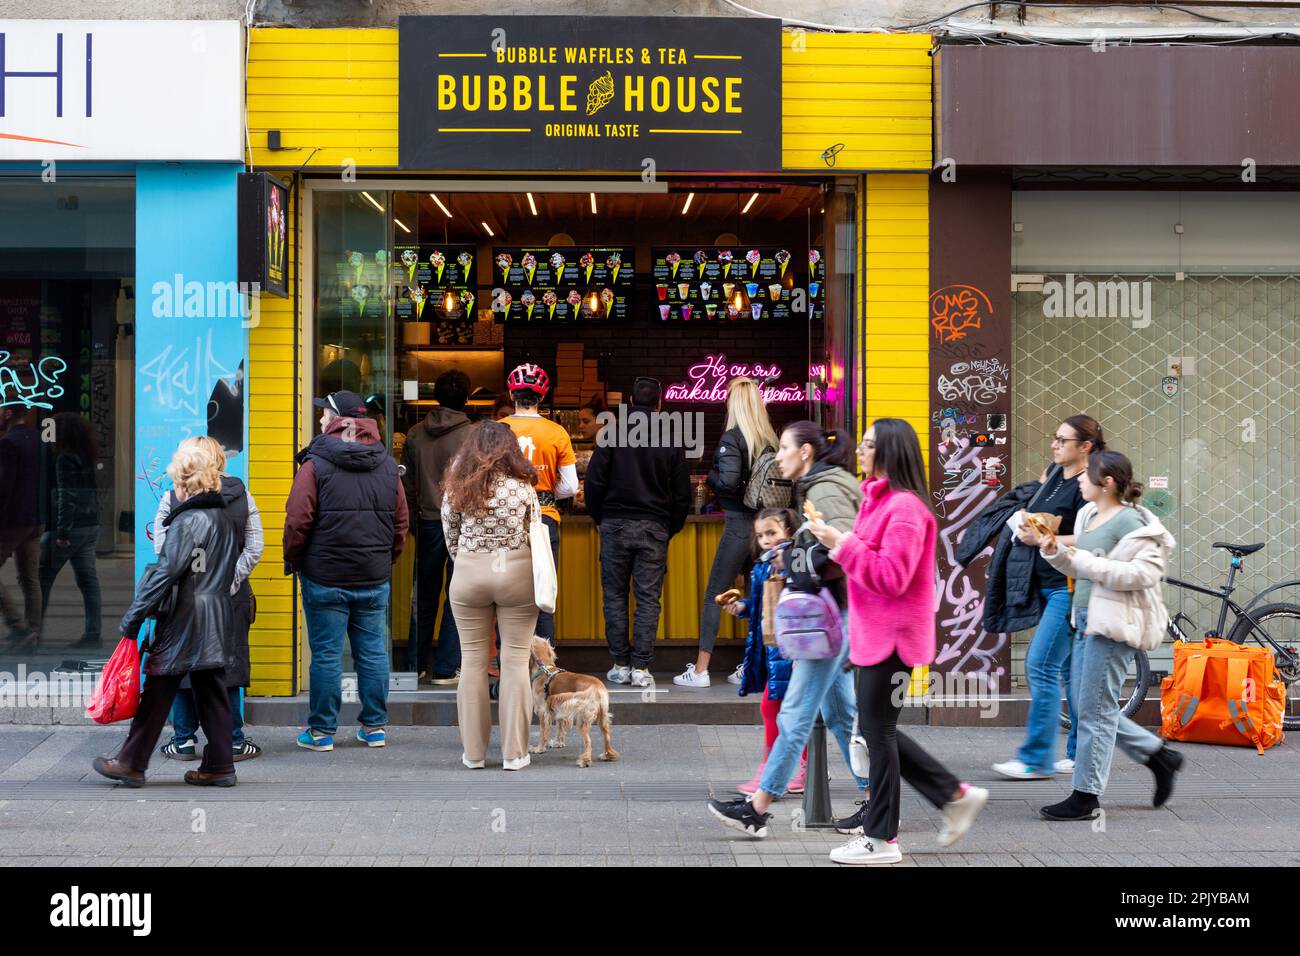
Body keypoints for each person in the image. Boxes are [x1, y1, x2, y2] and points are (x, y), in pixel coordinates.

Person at [812, 419, 990, 864]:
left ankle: (882, 839)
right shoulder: (879, 501)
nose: (859, 451)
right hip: (875, 636)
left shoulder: (906, 509)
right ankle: (953, 795)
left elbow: (891, 578)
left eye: (869, 445)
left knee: (878, 735)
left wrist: (841, 543)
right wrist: (838, 545)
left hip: (893, 639)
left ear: (890, 453)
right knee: (876, 732)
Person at [707, 420, 868, 838]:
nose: (777, 456)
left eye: (783, 448)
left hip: (829, 617)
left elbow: (844, 547)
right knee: (840, 713)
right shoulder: (823, 485)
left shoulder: (825, 489)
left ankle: (757, 809)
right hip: (836, 614)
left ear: (806, 453)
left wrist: (799, 562)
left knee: (795, 712)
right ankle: (880, 798)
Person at [1033, 450, 1184, 821]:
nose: (1079, 480)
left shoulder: (1134, 523)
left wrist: (1081, 560)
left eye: (1086, 476)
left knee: (1095, 713)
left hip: (1114, 622)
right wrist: (1054, 551)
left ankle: (1086, 796)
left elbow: (1142, 574)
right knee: (1090, 709)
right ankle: (1159, 756)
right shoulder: (1088, 514)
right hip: (1084, 617)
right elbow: (1079, 565)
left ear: (1108, 483)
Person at [92, 441, 242, 788]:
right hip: (216, 614)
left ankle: (130, 762)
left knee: (159, 687)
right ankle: (220, 765)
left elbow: (165, 571)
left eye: (175, 480)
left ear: (185, 483)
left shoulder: (188, 521)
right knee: (213, 692)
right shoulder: (221, 516)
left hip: (186, 618)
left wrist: (134, 617)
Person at [285, 390, 409, 752]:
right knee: (371, 650)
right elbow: (400, 523)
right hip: (373, 575)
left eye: (325, 414)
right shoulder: (386, 464)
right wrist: (386, 560)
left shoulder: (315, 464)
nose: (320, 419)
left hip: (324, 576)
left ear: (336, 420)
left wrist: (295, 559)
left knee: (325, 653)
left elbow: (297, 520)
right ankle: (374, 728)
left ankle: (322, 732)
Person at [991, 414, 1103, 781]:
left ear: (1085, 447)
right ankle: (1078, 754)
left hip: (1067, 588)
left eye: (1062, 440)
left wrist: (1045, 538)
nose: (1055, 445)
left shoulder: (1090, 484)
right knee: (1072, 673)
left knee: (1040, 666)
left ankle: (1037, 757)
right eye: (1054, 438)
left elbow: (1095, 537)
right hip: (1044, 584)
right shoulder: (1055, 474)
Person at [155, 437, 264, 762]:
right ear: (220, 460)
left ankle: (184, 740)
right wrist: (228, 582)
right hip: (230, 600)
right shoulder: (242, 496)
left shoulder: (171, 498)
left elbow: (164, 553)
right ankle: (232, 740)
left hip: (185, 600)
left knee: (182, 664)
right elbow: (255, 547)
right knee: (226, 666)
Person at [441, 421, 542, 771]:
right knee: (514, 663)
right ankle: (515, 754)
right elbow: (535, 532)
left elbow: (450, 534)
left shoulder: (458, 487)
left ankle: (473, 754)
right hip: (516, 572)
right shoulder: (523, 488)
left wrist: (469, 561)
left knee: (472, 663)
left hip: (469, 573)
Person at [584, 376, 691, 688]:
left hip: (614, 525)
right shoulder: (671, 438)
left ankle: (620, 664)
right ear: (659, 404)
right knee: (648, 598)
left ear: (631, 402)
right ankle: (642, 668)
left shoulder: (611, 435)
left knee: (615, 596)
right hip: (654, 527)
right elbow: (682, 493)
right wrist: (669, 527)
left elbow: (593, 483)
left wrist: (599, 518)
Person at [676, 377, 777, 688]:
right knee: (757, 594)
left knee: (713, 595)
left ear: (733, 404)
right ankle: (751, 667)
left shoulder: (732, 438)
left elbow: (730, 481)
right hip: (765, 527)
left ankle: (701, 670)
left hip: (738, 525)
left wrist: (712, 475)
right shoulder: (770, 440)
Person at [403, 369, 473, 683]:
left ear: (436, 396)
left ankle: (413, 665)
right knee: (458, 593)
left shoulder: (416, 433)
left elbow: (405, 484)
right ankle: (446, 668)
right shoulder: (473, 435)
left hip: (427, 521)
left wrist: (415, 518)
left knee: (425, 594)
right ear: (467, 398)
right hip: (463, 524)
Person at [732, 507, 805, 795]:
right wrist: (742, 608)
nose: (766, 540)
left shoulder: (796, 564)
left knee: (777, 708)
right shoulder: (763, 568)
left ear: (789, 532)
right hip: (774, 651)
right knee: (788, 711)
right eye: (761, 535)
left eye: (772, 533)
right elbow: (762, 607)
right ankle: (796, 769)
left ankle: (776, 770)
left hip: (792, 651)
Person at [501, 363, 576, 643]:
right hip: (543, 519)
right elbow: (570, 486)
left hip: (503, 520)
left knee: (506, 594)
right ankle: (545, 670)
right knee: (542, 593)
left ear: (511, 395)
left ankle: (509, 666)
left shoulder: (498, 429)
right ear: (542, 397)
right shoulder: (556, 432)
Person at [36, 413, 101, 649]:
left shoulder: (64, 458)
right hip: (90, 525)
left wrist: (62, 531)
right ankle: (93, 633)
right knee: (88, 581)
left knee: (41, 580)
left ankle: (32, 632)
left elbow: (67, 495)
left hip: (69, 529)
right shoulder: (87, 455)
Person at [0, 406, 43, 650]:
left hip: (13, 520)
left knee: (28, 577)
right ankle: (33, 634)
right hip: (36, 517)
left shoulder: (8, 443)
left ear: (7, 413)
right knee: (30, 577)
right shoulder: (38, 439)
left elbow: (4, 487)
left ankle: (19, 627)